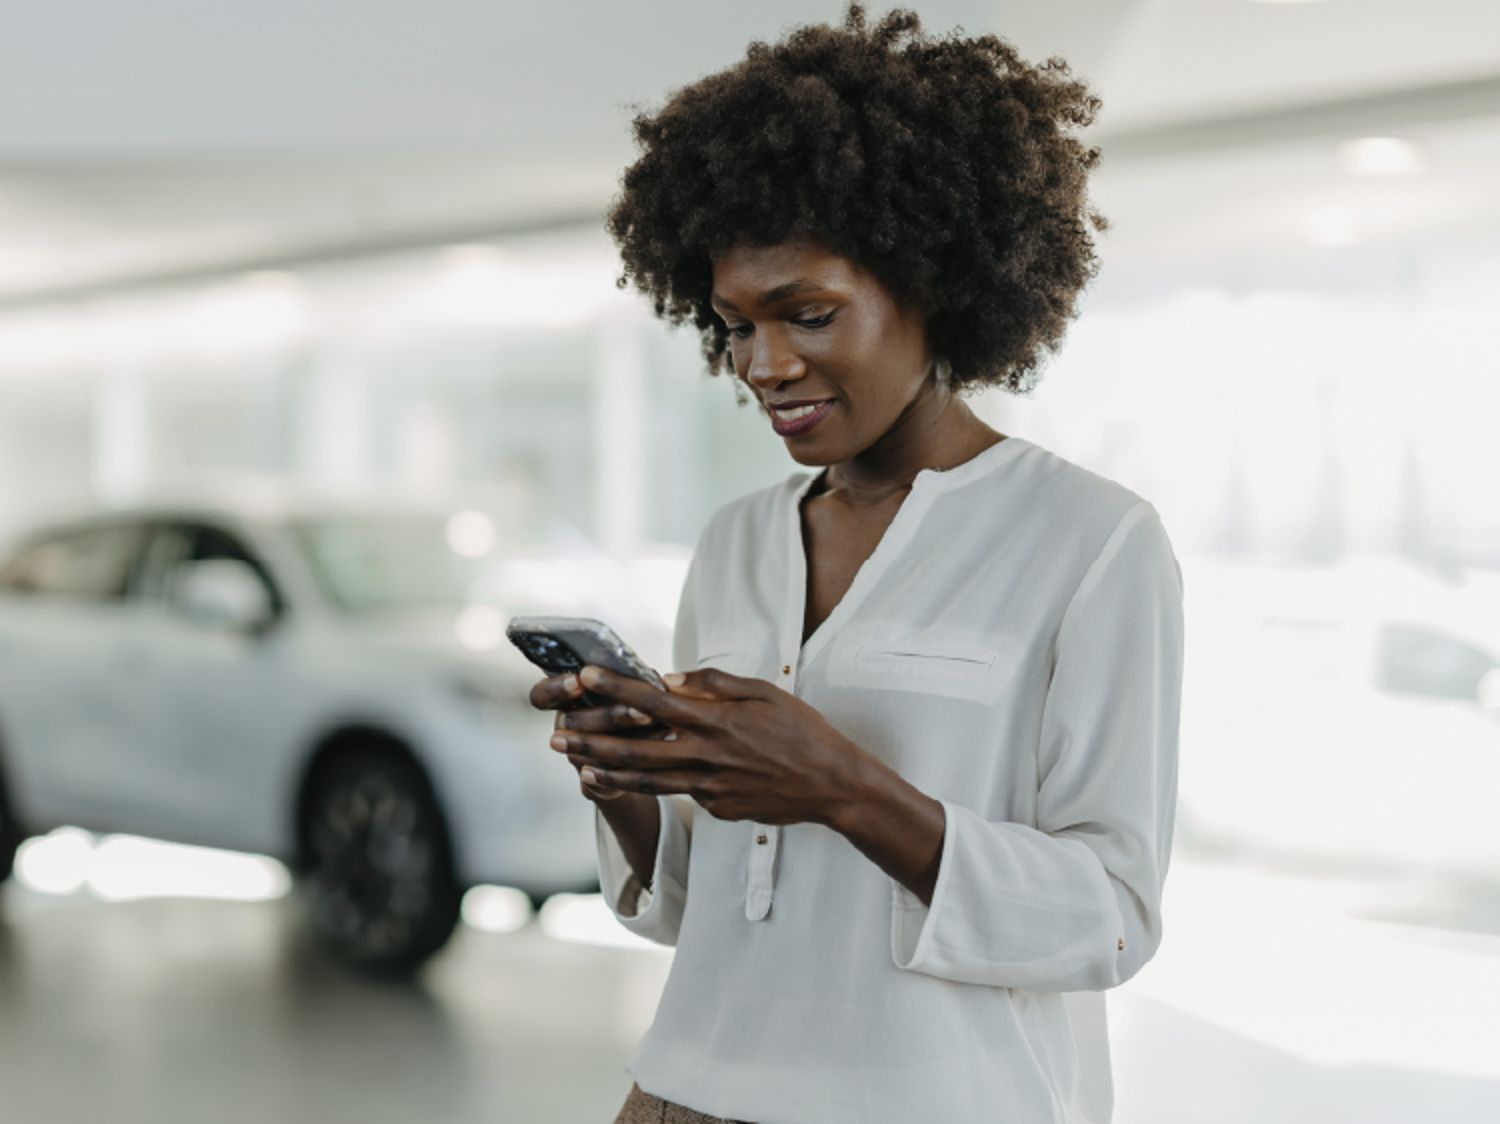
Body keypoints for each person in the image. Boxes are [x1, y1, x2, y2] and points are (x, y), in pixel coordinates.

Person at [528, 6, 1185, 1122]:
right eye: (735, 324)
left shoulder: (1091, 541)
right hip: (688, 1088)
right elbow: (698, 898)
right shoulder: (739, 539)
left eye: (809, 313)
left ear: (938, 284)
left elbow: (1111, 912)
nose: (763, 363)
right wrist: (629, 780)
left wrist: (844, 785)